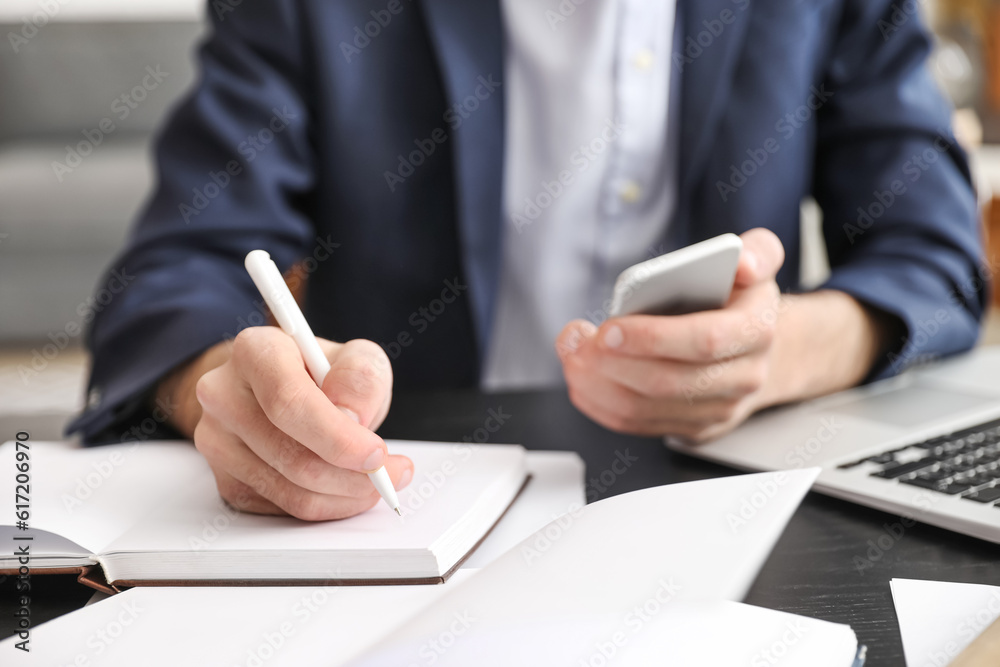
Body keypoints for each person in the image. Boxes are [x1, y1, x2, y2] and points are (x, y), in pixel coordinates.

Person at [69, 0, 984, 521]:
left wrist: (778, 351)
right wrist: (228, 386)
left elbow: (933, 251)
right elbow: (173, 273)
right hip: (406, 506)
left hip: (730, 500)